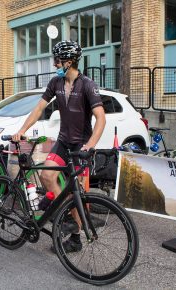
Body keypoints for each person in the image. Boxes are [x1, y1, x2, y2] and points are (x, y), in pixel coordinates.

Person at [12, 41, 106, 253]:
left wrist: (89, 146)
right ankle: (65, 216)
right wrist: (22, 129)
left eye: (57, 60)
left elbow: (101, 118)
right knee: (47, 176)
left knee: (79, 193)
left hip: (81, 145)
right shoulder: (56, 83)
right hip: (63, 142)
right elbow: (38, 109)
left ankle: (75, 237)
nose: (54, 64)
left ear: (69, 61)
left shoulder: (88, 85)